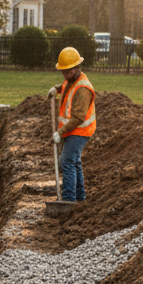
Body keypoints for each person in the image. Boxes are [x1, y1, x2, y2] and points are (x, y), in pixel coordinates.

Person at [48, 47, 96, 202]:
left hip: (79, 130)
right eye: (63, 72)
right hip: (72, 130)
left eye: (67, 72)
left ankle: (69, 199)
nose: (65, 75)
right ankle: (79, 197)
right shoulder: (72, 79)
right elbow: (66, 86)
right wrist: (56, 89)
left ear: (76, 68)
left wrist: (59, 133)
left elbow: (77, 118)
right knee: (74, 161)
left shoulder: (83, 88)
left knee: (67, 161)